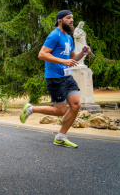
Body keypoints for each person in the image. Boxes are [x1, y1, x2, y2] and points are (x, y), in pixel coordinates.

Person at [20, 10, 91, 148]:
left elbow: (72, 59)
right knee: (61, 111)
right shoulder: (54, 35)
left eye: (72, 18)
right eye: (68, 18)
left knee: (76, 105)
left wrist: (82, 53)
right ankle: (30, 109)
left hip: (67, 76)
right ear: (60, 20)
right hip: (55, 77)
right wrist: (62, 62)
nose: (71, 20)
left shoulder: (69, 38)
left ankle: (60, 137)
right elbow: (42, 54)